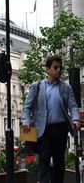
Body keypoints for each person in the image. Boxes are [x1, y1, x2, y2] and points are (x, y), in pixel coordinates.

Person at [22, 55, 81, 183]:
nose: (59, 70)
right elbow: (27, 108)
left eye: (60, 67)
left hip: (60, 129)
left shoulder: (66, 87)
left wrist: (76, 119)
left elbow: (73, 106)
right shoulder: (37, 86)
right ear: (48, 69)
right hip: (43, 129)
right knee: (44, 159)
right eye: (55, 67)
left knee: (59, 161)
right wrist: (25, 121)